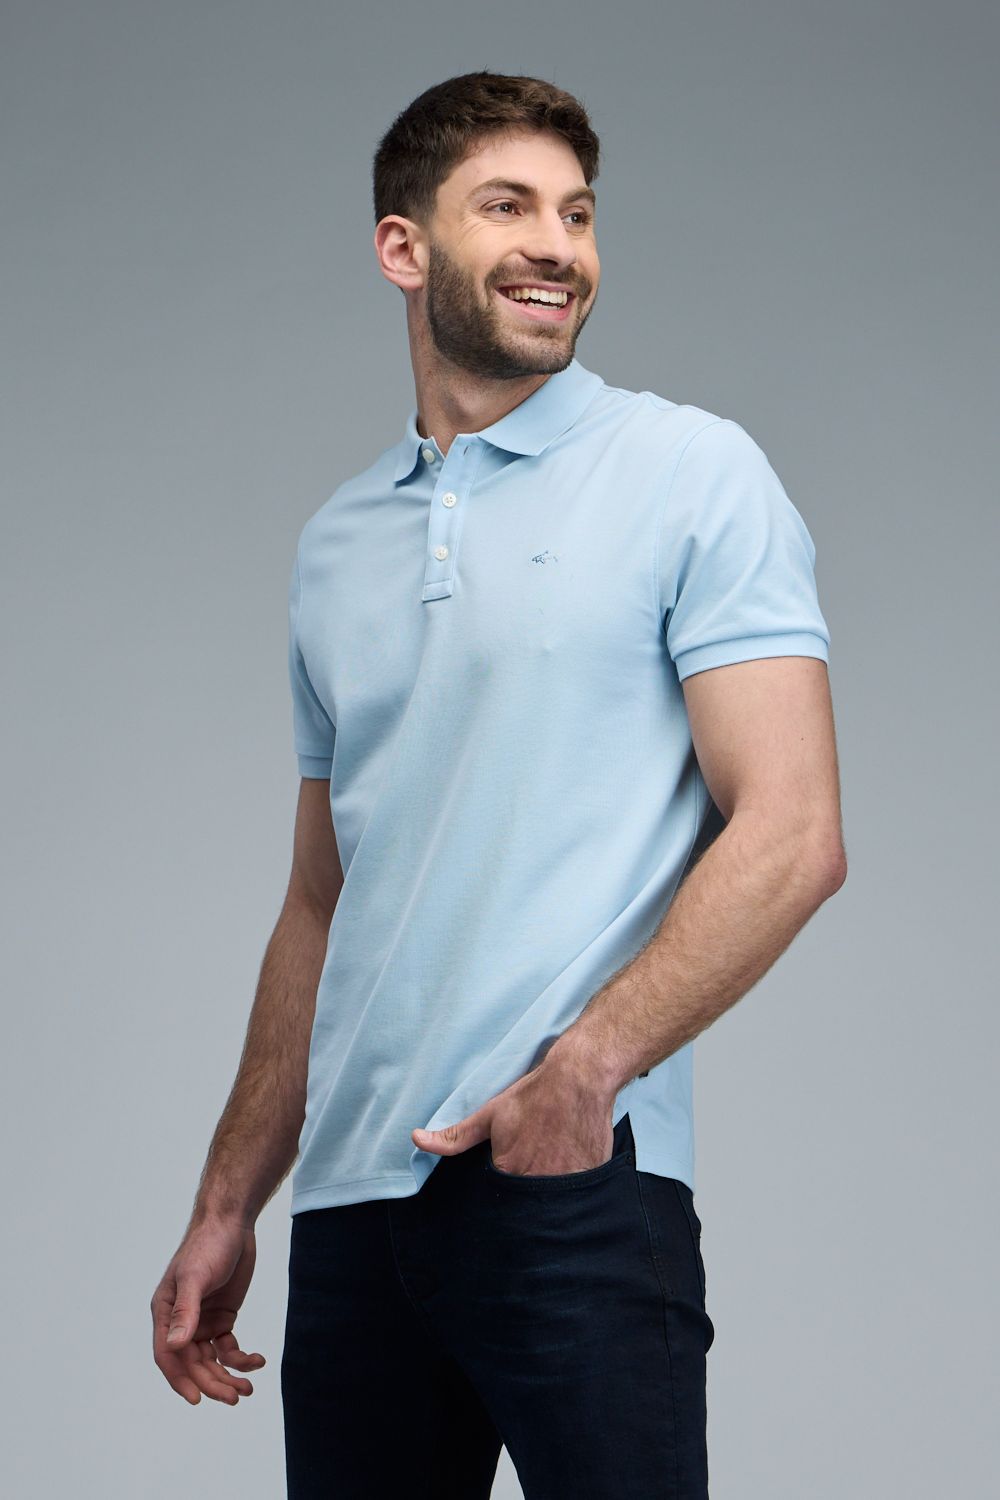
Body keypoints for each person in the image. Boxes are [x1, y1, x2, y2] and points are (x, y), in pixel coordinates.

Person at [151, 70, 847, 1499]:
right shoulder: (337, 542)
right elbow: (319, 901)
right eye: (509, 207)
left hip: (569, 1189)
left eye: (578, 214)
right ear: (403, 248)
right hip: (351, 1216)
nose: (557, 246)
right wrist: (231, 1199)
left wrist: (583, 1076)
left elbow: (794, 831)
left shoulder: (691, 473)